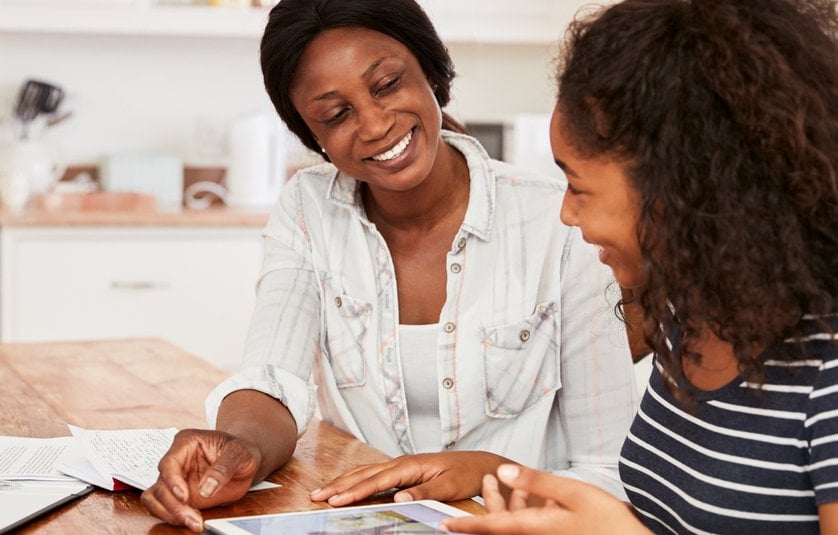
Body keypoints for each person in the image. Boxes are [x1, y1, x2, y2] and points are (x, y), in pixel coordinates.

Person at [141, 0, 638, 531]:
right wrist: (239, 448)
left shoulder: (558, 221)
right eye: (336, 115)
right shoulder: (309, 208)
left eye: (386, 84)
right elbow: (274, 379)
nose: (375, 125)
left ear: (431, 70)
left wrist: (492, 474)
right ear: (315, 138)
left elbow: (609, 473)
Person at [441, 0, 838, 533]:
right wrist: (511, 483)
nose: (566, 212)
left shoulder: (826, 376)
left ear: (680, 188)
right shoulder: (686, 317)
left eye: (579, 186)